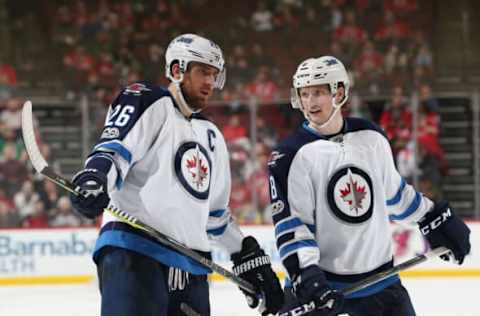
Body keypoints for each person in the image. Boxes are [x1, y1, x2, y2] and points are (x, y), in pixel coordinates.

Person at [69, 34, 283, 316]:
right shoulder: (148, 100)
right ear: (176, 70)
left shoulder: (212, 137)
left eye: (214, 75)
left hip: (192, 268)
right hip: (135, 252)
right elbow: (113, 151)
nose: (210, 82)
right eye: (203, 72)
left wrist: (245, 254)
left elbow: (215, 217)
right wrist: (94, 178)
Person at [267, 56, 471, 316]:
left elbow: (395, 196)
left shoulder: (371, 137)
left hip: (380, 283)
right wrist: (305, 275)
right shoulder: (290, 155)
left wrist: (432, 216)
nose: (309, 102)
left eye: (317, 93)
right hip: (321, 289)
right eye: (304, 94)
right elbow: (293, 226)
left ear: (338, 92)